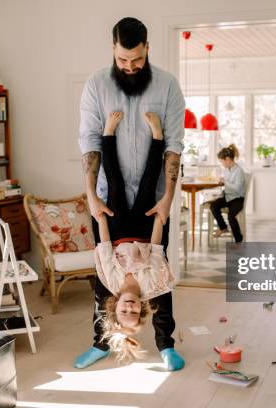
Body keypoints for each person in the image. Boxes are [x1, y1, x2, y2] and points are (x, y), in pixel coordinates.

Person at [76, 17, 185, 371]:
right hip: (108, 194)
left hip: (155, 194)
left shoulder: (168, 85)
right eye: (123, 60)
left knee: (160, 273)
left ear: (147, 49)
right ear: (113, 50)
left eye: (136, 60)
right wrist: (90, 194)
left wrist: (169, 195)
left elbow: (173, 146)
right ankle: (100, 342)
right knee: (103, 281)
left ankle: (166, 344)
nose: (130, 66)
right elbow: (90, 143)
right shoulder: (96, 85)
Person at [94, 111, 175, 364]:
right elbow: (157, 248)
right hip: (143, 229)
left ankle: (108, 133)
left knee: (114, 183)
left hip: (116, 230)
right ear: (142, 310)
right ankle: (158, 136)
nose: (129, 307)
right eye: (133, 311)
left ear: (115, 307)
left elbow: (105, 248)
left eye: (124, 311)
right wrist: (160, 218)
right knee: (149, 183)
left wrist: (101, 219)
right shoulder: (152, 286)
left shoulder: (110, 282)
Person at [210, 144, 246, 243]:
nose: (222, 164)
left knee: (231, 216)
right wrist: (222, 183)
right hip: (228, 197)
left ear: (227, 159)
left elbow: (237, 188)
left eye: (222, 161)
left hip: (237, 199)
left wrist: (225, 182)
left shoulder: (239, 171)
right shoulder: (228, 170)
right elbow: (228, 185)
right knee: (214, 205)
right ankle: (223, 227)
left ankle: (239, 240)